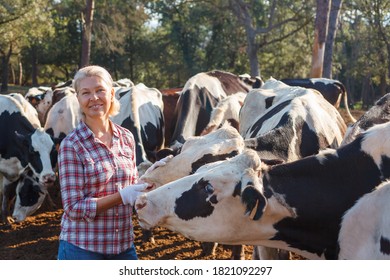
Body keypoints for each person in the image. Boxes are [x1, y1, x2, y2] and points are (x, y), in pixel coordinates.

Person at [57, 65, 166, 260]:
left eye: (100, 90)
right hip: (83, 248)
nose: (94, 98)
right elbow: (73, 208)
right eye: (86, 93)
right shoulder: (71, 145)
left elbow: (131, 186)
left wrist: (153, 176)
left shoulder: (126, 137)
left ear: (112, 94)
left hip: (123, 246)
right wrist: (121, 196)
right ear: (78, 99)